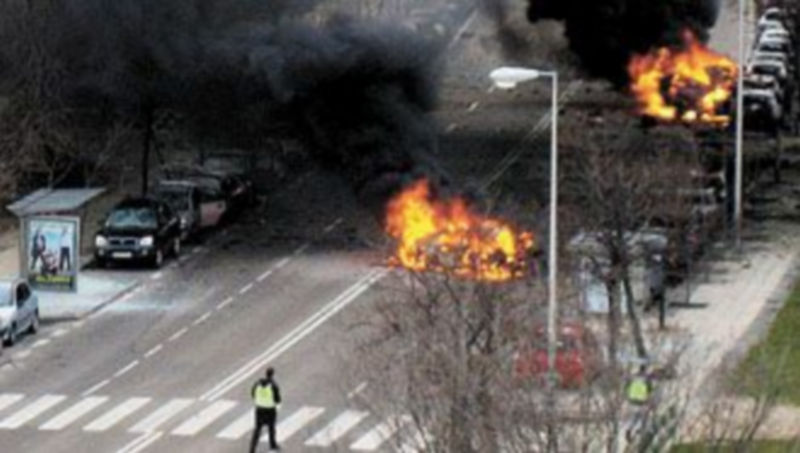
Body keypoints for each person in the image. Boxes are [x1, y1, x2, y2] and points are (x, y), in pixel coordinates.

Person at [249, 367, 281, 452]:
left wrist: (259, 400)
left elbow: (252, 394)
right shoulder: (273, 385)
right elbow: (277, 399)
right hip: (270, 409)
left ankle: (252, 448)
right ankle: (272, 444)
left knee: (257, 429)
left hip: (259, 409)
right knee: (271, 427)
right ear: (272, 374)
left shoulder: (257, 384)